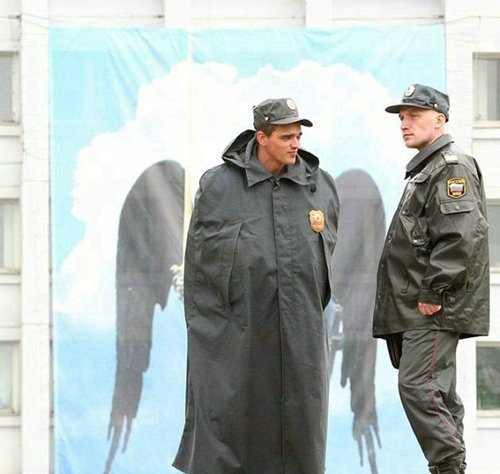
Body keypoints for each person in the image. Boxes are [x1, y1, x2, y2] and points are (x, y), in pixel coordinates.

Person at [173, 98, 339, 473]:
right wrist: (208, 333)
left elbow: (326, 257)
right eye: (285, 137)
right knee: (233, 429)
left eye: (298, 136)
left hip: (301, 334)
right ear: (261, 137)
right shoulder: (218, 186)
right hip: (239, 332)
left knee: (300, 432)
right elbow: (200, 271)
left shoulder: (319, 186)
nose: (295, 144)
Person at [373, 84, 490, 474]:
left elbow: (460, 234)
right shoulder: (428, 168)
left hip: (433, 305)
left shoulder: (450, 167)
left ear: (439, 120)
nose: (404, 124)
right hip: (422, 304)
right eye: (402, 117)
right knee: (437, 390)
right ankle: (452, 466)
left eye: (414, 116)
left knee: (417, 385)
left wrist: (434, 290)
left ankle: (448, 465)